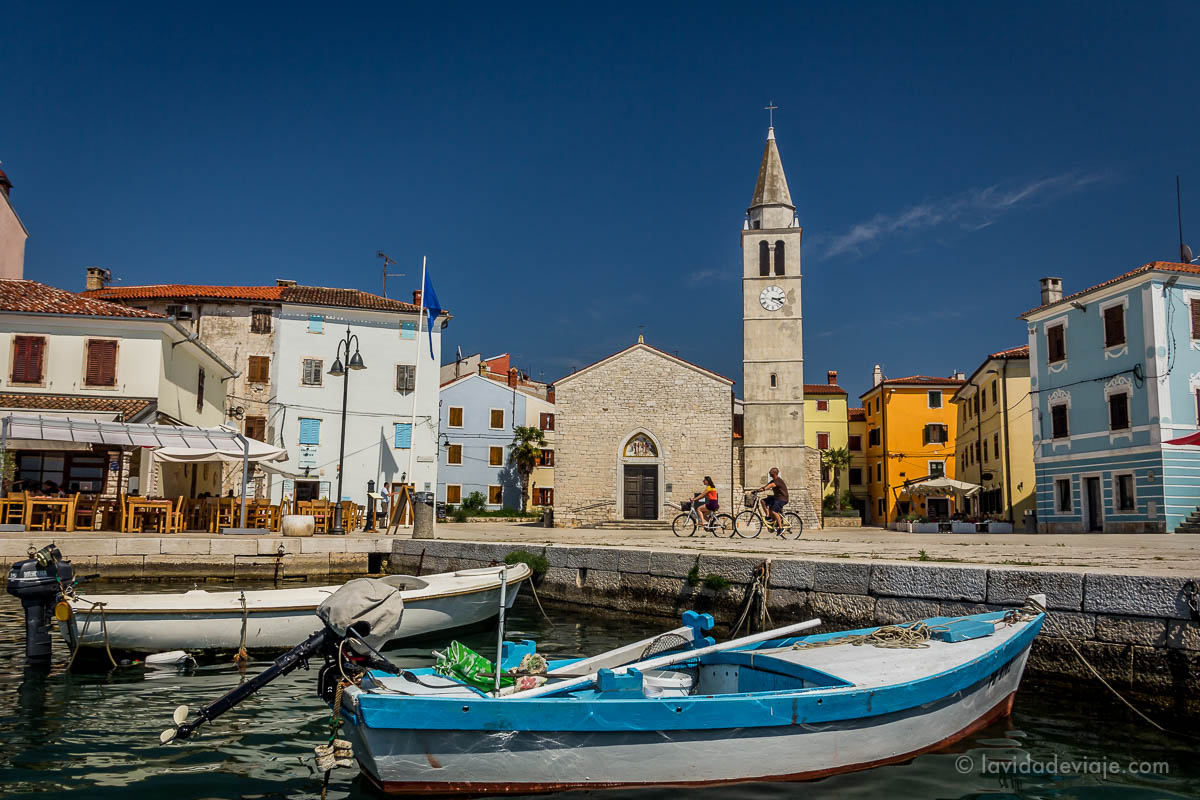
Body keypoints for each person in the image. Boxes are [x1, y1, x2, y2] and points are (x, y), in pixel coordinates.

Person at [757, 468, 788, 532]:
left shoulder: (778, 481)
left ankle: (780, 528)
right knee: (763, 501)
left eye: (771, 472)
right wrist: (756, 491)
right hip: (776, 498)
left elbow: (768, 487)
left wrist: (761, 490)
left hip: (782, 498)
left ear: (774, 473)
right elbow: (765, 487)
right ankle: (769, 516)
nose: (769, 473)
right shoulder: (772, 481)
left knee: (774, 511)